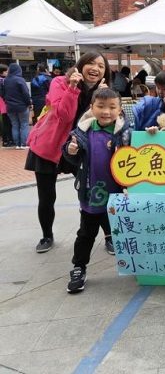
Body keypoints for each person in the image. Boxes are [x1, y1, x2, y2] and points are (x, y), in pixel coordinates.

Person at [26, 51, 111, 253]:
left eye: (100, 66)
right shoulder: (60, 83)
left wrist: (102, 98)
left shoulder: (102, 90)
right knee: (46, 197)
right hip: (48, 146)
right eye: (91, 63)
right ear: (80, 65)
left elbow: (105, 119)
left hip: (78, 148)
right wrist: (72, 88)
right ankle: (47, 235)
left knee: (94, 191)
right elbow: (64, 116)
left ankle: (109, 236)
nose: (95, 69)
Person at [62, 88, 131, 294]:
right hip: (91, 194)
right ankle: (78, 268)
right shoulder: (82, 132)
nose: (106, 111)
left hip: (119, 195)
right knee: (86, 234)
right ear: (92, 108)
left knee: (124, 230)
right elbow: (70, 155)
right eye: (100, 106)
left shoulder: (126, 134)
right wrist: (69, 150)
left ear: (120, 110)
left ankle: (135, 263)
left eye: (112, 107)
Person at [0, 63, 32, 149]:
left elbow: (2, 92)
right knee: (24, 124)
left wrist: (7, 100)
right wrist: (29, 103)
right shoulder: (20, 79)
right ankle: (23, 144)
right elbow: (25, 93)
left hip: (10, 107)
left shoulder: (5, 80)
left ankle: (17, 144)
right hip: (21, 106)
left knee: (15, 125)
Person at [0, 64, 15, 147]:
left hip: (3, 104)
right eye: (6, 71)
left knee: (6, 123)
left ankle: (6, 140)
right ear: (1, 72)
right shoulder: (3, 81)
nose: (7, 73)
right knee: (7, 123)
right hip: (5, 104)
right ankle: (7, 140)